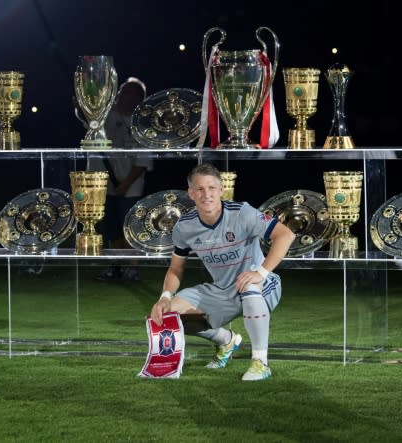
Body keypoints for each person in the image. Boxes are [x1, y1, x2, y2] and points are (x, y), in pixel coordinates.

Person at [149, 163, 296, 381]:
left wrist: (261, 272)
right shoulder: (184, 227)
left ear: (221, 190)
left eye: (211, 188)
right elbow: (175, 269)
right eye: (199, 189)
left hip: (262, 284)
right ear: (191, 193)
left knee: (250, 287)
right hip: (223, 290)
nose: (206, 194)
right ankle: (226, 340)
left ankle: (260, 363)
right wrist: (164, 297)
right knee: (167, 315)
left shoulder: (242, 213)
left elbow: (285, 235)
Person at [85, 77, 153, 281]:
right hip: (103, 185)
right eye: (125, 92)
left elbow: (144, 160)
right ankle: (114, 265)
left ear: (141, 98)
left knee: (130, 227)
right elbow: (85, 118)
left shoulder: (142, 123)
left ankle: (133, 268)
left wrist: (125, 184)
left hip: (130, 187)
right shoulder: (103, 115)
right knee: (111, 228)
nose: (128, 97)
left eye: (134, 94)